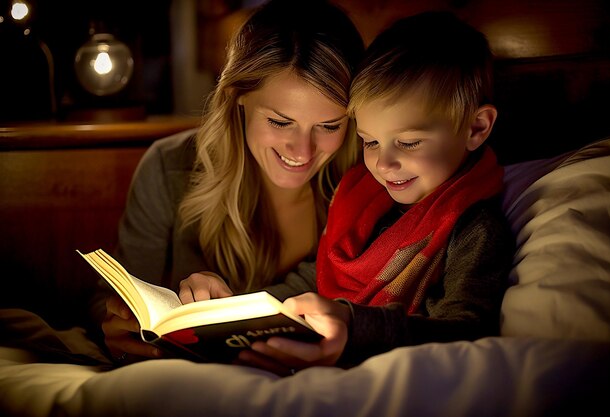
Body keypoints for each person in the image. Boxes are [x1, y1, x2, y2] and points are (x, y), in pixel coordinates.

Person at [237, 11, 515, 375]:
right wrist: (235, 313)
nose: (384, 165)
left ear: (476, 128)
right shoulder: (362, 197)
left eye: (409, 142)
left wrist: (355, 327)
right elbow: (312, 280)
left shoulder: (474, 229)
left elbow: (468, 334)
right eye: (370, 142)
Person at [90, 0, 364, 363]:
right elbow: (107, 301)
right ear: (239, 98)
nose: (303, 150)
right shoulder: (168, 167)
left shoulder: (368, 183)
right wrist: (115, 323)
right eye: (280, 122)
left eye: (329, 126)